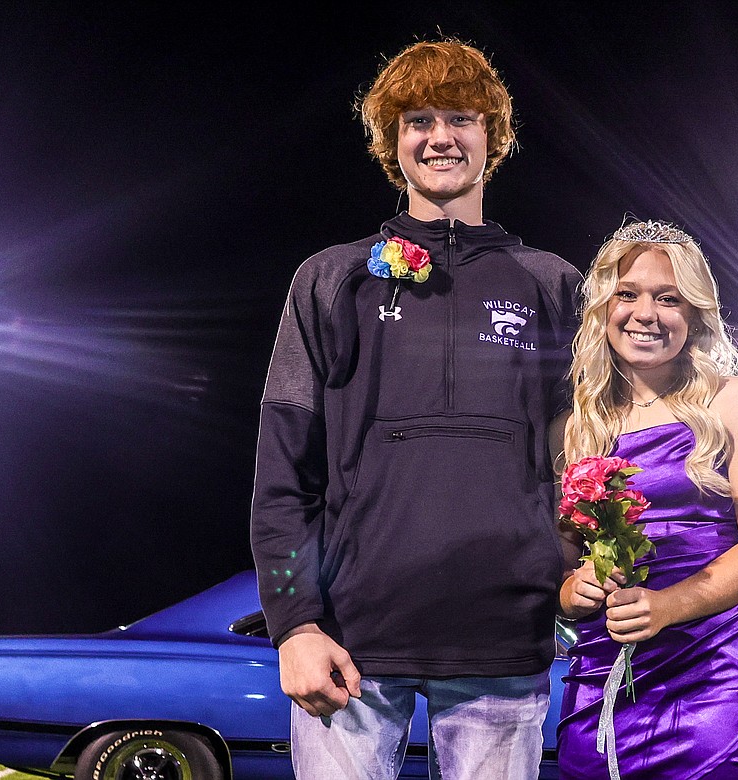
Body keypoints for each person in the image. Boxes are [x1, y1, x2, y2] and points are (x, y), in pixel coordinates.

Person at [249, 39, 582, 780]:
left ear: (493, 136)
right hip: (348, 647)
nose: (439, 136)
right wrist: (293, 625)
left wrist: (577, 579)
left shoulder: (554, 285)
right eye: (417, 120)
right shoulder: (330, 279)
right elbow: (281, 476)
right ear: (390, 142)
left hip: (505, 643)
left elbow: (586, 467)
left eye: (460, 117)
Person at [553, 220, 738, 779]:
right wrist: (571, 590)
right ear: (602, 309)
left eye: (668, 299)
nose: (646, 313)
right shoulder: (575, 426)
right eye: (627, 294)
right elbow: (559, 566)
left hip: (708, 679)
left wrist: (667, 608)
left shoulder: (736, 401)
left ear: (696, 314)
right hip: (601, 677)